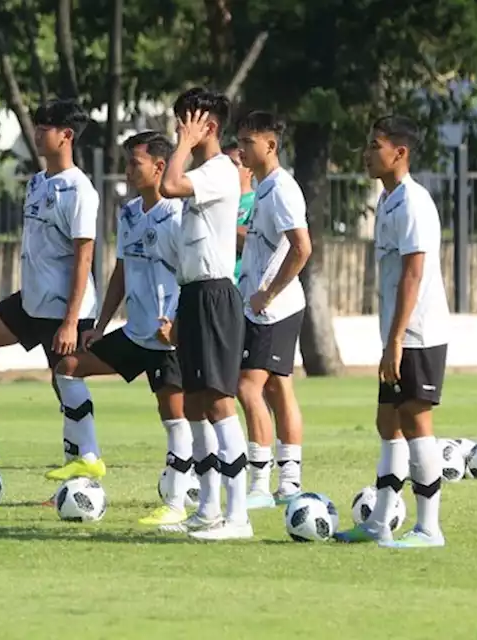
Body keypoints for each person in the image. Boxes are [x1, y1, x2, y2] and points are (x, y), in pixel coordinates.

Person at [0, 98, 98, 477]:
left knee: (67, 381)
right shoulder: (38, 183)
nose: (38, 133)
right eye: (37, 126)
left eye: (46, 128)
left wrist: (71, 322)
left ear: (67, 135)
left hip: (64, 310)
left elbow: (84, 258)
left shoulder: (79, 190)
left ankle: (86, 465)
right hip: (30, 304)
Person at [43, 131, 194, 525]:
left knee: (175, 416)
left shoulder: (180, 216)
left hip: (167, 338)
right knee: (68, 369)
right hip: (134, 332)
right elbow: (122, 270)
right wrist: (102, 325)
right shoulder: (128, 213)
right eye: (126, 162)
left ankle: (176, 504)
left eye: (134, 163)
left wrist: (177, 324)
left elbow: (192, 275)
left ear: (160, 167)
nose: (127, 170)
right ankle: (89, 457)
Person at [335, 115, 450, 548]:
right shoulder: (387, 200)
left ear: (398, 153)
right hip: (396, 334)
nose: (366, 153)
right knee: (388, 420)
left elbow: (413, 275)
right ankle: (380, 522)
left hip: (418, 332)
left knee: (416, 419)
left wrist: (398, 338)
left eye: (374, 145)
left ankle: (428, 528)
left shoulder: (415, 202)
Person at [157, 87, 250, 540]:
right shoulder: (205, 171)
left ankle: (239, 516)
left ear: (208, 127)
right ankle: (209, 507)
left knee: (217, 400)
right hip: (193, 295)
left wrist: (183, 146)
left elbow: (168, 185)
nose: (179, 131)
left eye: (185, 122)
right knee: (193, 400)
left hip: (215, 295)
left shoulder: (218, 171)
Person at [232, 111, 312, 509]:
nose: (242, 148)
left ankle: (261, 484)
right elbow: (264, 245)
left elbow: (302, 248)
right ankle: (290, 483)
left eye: (248, 142)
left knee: (247, 386)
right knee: (278, 387)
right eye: (240, 141)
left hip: (273, 308)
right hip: (264, 306)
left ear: (270, 145)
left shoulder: (281, 188)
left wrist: (267, 293)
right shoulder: (264, 189)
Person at [226, 142, 255, 282]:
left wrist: (219, 224)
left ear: (250, 171)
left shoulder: (256, 202)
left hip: (241, 289)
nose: (227, 169)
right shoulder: (217, 202)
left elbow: (253, 241)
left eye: (234, 164)